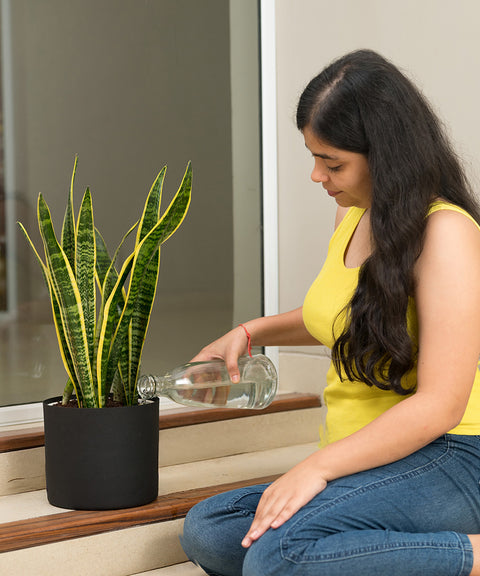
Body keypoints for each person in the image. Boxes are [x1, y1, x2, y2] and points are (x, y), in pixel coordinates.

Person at [180, 49, 480, 576]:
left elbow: (441, 405)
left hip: (451, 452)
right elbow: (348, 314)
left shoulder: (446, 232)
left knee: (278, 556)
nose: (317, 176)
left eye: (333, 162)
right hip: (366, 459)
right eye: (314, 157)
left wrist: (315, 468)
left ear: (385, 154)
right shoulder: (354, 213)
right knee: (213, 528)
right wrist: (252, 330)